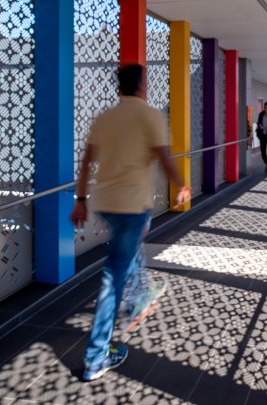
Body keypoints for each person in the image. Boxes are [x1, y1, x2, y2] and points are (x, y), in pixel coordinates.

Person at [71, 64, 190, 382]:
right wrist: (182, 185)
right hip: (132, 207)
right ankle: (97, 356)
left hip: (105, 204)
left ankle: (137, 295)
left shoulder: (105, 118)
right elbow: (165, 159)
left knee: (129, 245)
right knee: (113, 278)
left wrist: (80, 200)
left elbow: (86, 162)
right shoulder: (150, 116)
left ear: (119, 88)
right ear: (141, 86)